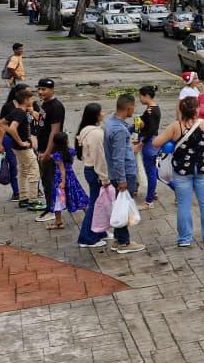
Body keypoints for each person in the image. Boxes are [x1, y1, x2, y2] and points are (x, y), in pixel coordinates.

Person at [153, 96, 204, 246]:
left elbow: (156, 143)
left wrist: (171, 142)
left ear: (181, 110)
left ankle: (185, 238)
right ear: (197, 109)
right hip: (203, 168)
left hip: (182, 170)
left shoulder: (175, 127)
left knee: (184, 204)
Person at [104, 94, 145, 253]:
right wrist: (122, 180)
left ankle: (118, 238)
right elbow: (118, 157)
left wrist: (132, 128)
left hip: (116, 173)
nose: (134, 110)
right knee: (124, 206)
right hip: (125, 174)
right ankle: (124, 242)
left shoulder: (111, 122)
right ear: (129, 108)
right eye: (133, 107)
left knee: (120, 204)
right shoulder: (119, 130)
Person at [75, 103, 110, 247]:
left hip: (90, 169)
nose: (104, 113)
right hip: (95, 171)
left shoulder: (85, 130)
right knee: (96, 205)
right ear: (96, 115)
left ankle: (99, 231)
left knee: (98, 202)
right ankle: (86, 237)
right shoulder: (95, 133)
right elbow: (99, 158)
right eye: (102, 111)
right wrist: (104, 178)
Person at [34, 78, 65, 221]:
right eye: (39, 89)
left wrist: (47, 152)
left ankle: (53, 210)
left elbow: (54, 131)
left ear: (52, 90)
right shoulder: (45, 104)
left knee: (50, 181)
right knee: (46, 181)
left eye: (44, 89)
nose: (40, 92)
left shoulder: (56, 106)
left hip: (51, 151)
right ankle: (50, 207)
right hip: (42, 148)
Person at [46, 132, 89, 231]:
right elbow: (71, 158)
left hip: (60, 179)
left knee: (58, 199)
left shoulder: (57, 155)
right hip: (71, 177)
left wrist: (63, 182)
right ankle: (89, 216)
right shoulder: (70, 151)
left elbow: (62, 170)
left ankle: (58, 221)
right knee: (78, 194)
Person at [6, 88, 39, 209]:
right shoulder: (20, 113)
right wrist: (20, 141)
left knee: (23, 172)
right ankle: (33, 200)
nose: (32, 101)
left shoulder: (16, 111)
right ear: (25, 100)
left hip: (17, 148)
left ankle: (23, 198)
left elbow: (3, 123)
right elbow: (12, 128)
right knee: (34, 171)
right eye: (30, 99)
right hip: (24, 148)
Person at [0, 82, 28, 202]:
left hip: (27, 140)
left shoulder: (31, 105)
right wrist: (0, 143)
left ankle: (31, 190)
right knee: (14, 166)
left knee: (29, 165)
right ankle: (17, 192)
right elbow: (2, 126)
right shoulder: (8, 107)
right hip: (10, 140)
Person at [136, 86, 161, 208]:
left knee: (151, 172)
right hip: (151, 143)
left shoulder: (152, 111)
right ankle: (154, 192)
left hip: (149, 144)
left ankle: (149, 201)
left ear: (146, 96)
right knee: (154, 172)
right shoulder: (151, 108)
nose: (139, 99)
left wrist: (141, 143)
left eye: (140, 96)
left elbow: (151, 130)